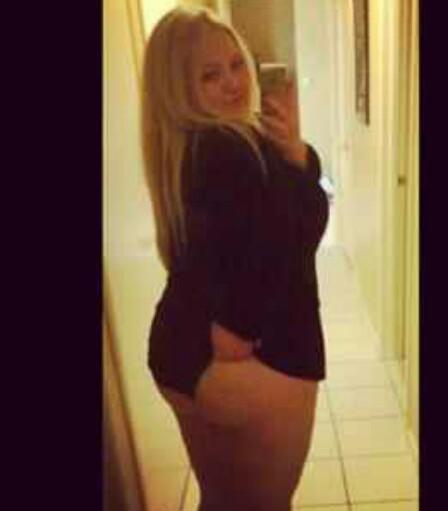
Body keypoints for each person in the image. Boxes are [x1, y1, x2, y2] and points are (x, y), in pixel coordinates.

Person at [141, 5, 329, 510]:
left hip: (181, 349)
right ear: (178, 91)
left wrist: (295, 154)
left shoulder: (195, 146)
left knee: (224, 499)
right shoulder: (229, 146)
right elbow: (285, 238)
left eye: (236, 64)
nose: (233, 83)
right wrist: (237, 329)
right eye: (209, 75)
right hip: (243, 357)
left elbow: (246, 236)